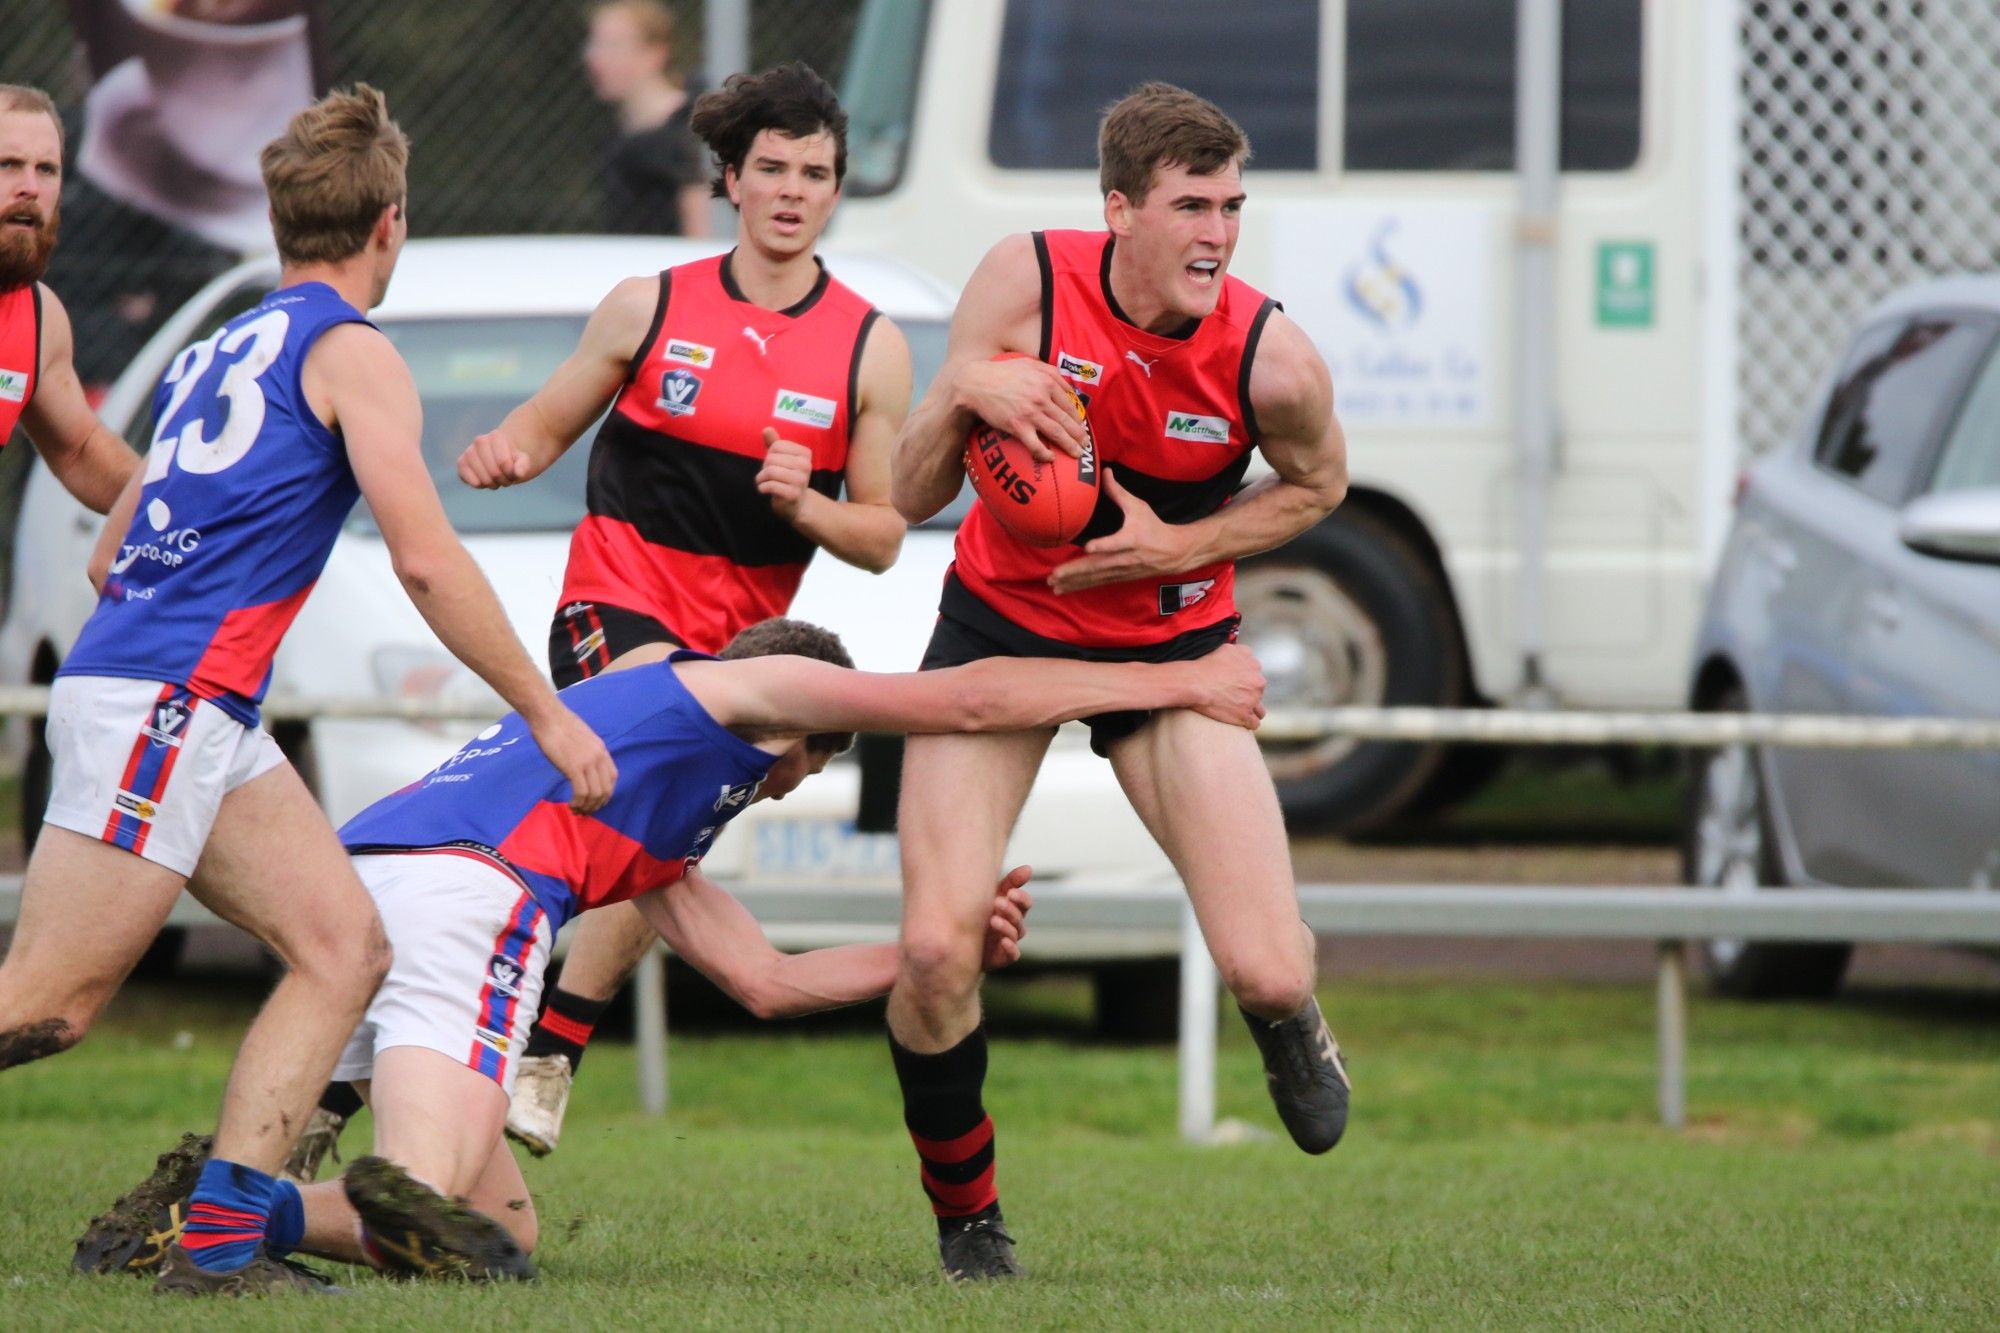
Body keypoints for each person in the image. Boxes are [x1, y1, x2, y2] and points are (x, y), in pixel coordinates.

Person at [79, 618, 1268, 1282]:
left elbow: (766, 980)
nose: (805, 774)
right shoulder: (744, 691)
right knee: (417, 1196)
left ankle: (227, 1212)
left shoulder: (657, 816)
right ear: (798, 711)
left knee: (502, 1245)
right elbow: (966, 700)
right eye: (823, 751)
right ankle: (242, 1223)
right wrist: (1176, 678)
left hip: (371, 881)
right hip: (469, 892)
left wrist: (939, 950)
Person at [0, 84, 617, 1297]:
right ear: (389, 224)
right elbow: (427, 557)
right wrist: (547, 712)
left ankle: (220, 1248)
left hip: (187, 704)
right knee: (52, 1005)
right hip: (167, 703)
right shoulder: (353, 354)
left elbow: (108, 548)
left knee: (346, 947)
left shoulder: (220, 342)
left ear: (282, 225)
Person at [287, 60, 910, 1178]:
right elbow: (545, 420)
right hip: (613, 605)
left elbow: (880, 537)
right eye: (770, 169)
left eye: (814, 173)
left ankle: (379, 1071)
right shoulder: (652, 303)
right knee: (638, 783)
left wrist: (806, 500)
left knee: (643, 823)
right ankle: (549, 1047)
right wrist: (506, 451)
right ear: (729, 178)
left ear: (835, 189)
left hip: (745, 648)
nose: (791, 191)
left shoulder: (869, 345)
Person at [883, 83, 1353, 1281]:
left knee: (1264, 963)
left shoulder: (1270, 357)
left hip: (1173, 650)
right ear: (1117, 211)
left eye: (1231, 206)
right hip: (999, 625)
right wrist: (960, 390)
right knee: (936, 952)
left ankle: (1296, 1021)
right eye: (1189, 205)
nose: (1216, 232)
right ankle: (968, 1222)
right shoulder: (1024, 281)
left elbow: (1316, 489)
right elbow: (907, 495)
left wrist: (1177, 550)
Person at [0, 84, 144, 512]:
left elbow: (79, 450)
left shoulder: (37, 317)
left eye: (46, 170)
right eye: (8, 164)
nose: (30, 187)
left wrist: (189, 510)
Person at [585, 0, 710, 237]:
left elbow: (701, 232)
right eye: (595, 44)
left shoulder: (686, 130)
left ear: (656, 53)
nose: (595, 58)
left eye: (614, 46)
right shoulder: (622, 133)